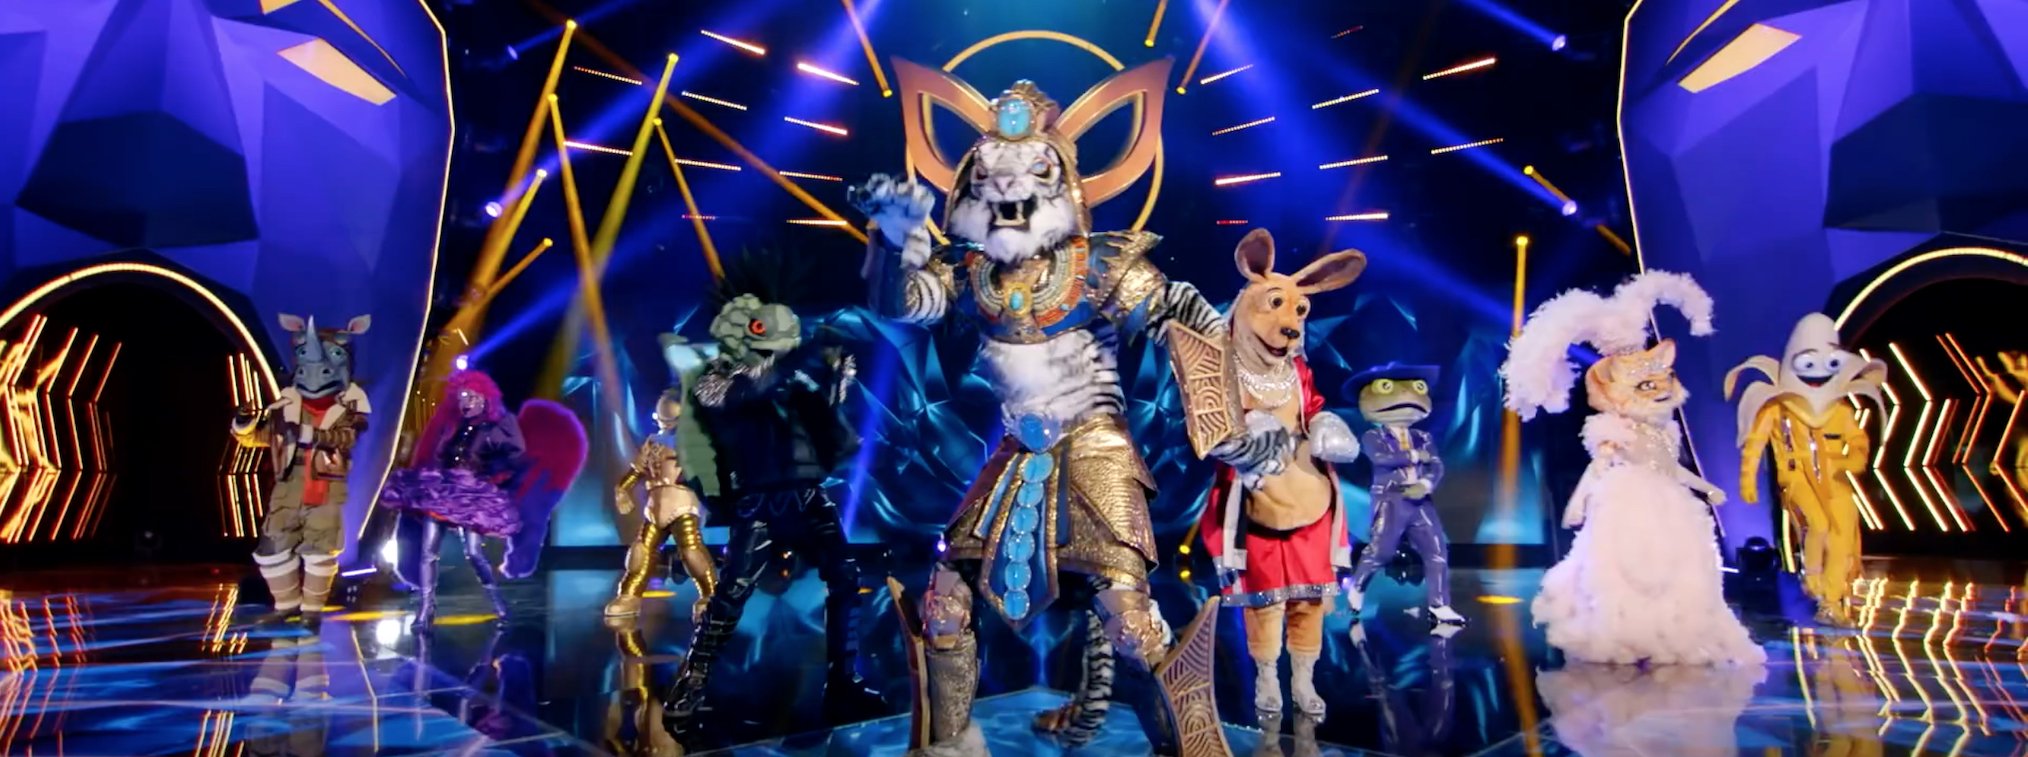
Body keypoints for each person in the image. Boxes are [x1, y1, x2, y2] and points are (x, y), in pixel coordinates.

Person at [851, 74, 1282, 755]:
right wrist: (892, 235)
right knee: (946, 604)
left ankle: (1186, 746)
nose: (1008, 186)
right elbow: (898, 303)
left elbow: (1183, 316)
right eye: (991, 173)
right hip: (1016, 452)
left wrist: (1236, 414)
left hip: (1096, 446)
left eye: (1031, 171)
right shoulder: (970, 272)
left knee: (1131, 625)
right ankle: (949, 744)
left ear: (1062, 183)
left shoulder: (1100, 264)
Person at [1501, 271, 1764, 666]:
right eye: (1645, 386)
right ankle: (1626, 635)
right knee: (1628, 567)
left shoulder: (1664, 431)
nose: (1659, 390)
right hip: (1628, 500)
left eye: (1661, 381)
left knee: (1678, 566)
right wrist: (1578, 503)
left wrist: (1705, 487)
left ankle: (1672, 632)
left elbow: (1668, 467)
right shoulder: (1614, 429)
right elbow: (1599, 467)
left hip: (1669, 502)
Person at [660, 277, 882, 725]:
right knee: (732, 592)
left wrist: (833, 377)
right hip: (760, 499)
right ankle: (693, 678)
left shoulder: (798, 382)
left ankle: (844, 680)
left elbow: (826, 425)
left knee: (844, 578)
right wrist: (794, 366)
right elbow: (738, 396)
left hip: (806, 494)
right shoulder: (723, 379)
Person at [1194, 229, 1366, 718]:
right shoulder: (1223, 370)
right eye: (1275, 305)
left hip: (1309, 501)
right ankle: (1268, 677)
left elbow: (1311, 407)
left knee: (1309, 601)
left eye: (1298, 311)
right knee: (1263, 601)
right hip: (1257, 505)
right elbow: (1212, 425)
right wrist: (1248, 428)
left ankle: (1304, 680)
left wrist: (1325, 423)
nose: (1289, 324)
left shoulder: (1296, 371)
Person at [381, 369, 586, 629]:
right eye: (462, 397)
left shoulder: (499, 426)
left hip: (472, 497)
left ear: (484, 398)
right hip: (444, 493)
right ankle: (426, 609)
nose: (465, 402)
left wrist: (490, 473)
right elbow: (441, 453)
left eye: (471, 396)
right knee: (428, 553)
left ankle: (498, 604)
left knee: (474, 553)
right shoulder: (456, 426)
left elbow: (515, 456)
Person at [1726, 313, 1886, 625]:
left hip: (1835, 479)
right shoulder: (1777, 408)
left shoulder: (1839, 410)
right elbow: (1755, 444)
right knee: (1818, 524)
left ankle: (1831, 600)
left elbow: (1858, 440)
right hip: (1798, 478)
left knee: (1841, 536)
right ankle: (1811, 579)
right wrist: (1748, 480)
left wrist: (1853, 459)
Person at [232, 313, 371, 625]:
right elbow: (264, 437)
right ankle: (286, 607)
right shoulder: (286, 406)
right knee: (273, 545)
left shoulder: (349, 406)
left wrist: (309, 435)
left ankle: (311, 612)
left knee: (320, 548)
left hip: (325, 486)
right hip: (289, 486)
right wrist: (244, 425)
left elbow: (346, 438)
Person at [1344, 363, 1463, 627]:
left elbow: (1436, 464)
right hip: (1391, 500)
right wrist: (1414, 455)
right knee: (1381, 551)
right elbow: (1382, 459)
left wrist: (1426, 484)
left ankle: (1440, 606)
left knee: (1437, 552)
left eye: (1418, 388)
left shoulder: (1423, 437)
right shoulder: (1373, 436)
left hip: (1420, 500)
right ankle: (1358, 586)